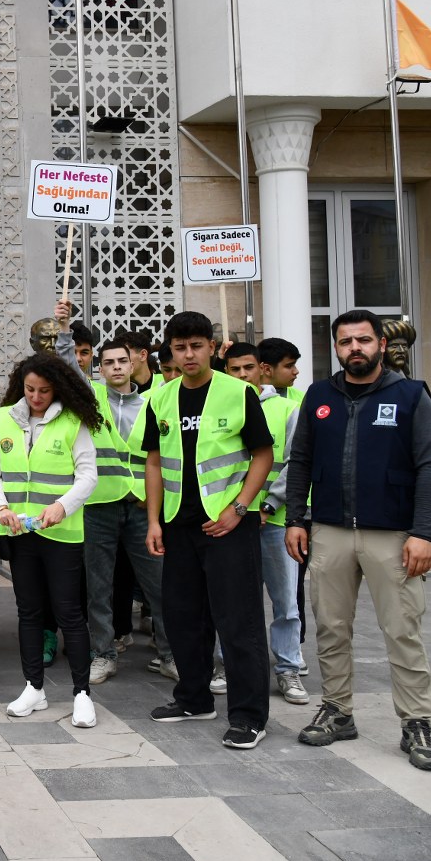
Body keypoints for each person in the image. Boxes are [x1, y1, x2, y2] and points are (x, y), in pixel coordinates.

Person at [286, 310, 431, 771]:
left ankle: (416, 722)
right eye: (345, 342)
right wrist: (297, 519)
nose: (354, 348)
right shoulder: (319, 395)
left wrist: (421, 533)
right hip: (330, 531)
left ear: (379, 344)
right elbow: (300, 462)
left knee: (402, 630)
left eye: (363, 340)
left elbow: (430, 467)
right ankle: (337, 711)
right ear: (335, 348)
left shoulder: (411, 395)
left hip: (392, 535)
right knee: (331, 627)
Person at [142, 311, 274, 750]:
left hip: (229, 527)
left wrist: (239, 508)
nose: (188, 354)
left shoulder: (239, 393)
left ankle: (249, 716)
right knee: (183, 620)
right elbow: (156, 462)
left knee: (239, 623)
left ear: (213, 348)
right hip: (179, 525)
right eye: (180, 348)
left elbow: (262, 455)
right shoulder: (161, 398)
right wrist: (153, 522)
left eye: (197, 345)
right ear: (171, 352)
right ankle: (194, 699)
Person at [0, 353, 101, 727]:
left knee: (69, 613)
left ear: (59, 389)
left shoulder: (73, 421)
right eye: (30, 389)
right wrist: (1, 506)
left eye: (44, 390)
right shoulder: (3, 418)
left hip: (62, 534)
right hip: (19, 531)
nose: (36, 397)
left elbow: (87, 476)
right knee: (29, 612)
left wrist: (62, 507)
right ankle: (33, 687)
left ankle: (82, 694)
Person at [64, 330, 175, 685]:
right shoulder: (90, 398)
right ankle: (103, 654)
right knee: (99, 587)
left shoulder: (154, 401)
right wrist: (65, 331)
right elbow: (67, 367)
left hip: (144, 507)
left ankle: (172, 654)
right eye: (108, 362)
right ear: (98, 368)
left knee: (159, 584)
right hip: (99, 506)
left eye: (121, 361)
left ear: (135, 363)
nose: (115, 367)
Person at [223, 343, 308, 707]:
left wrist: (269, 505)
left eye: (247, 368)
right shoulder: (219, 408)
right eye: (234, 369)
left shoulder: (287, 409)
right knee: (232, 600)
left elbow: (295, 464)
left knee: (285, 599)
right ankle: (229, 664)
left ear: (261, 369)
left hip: (272, 522)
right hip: (229, 523)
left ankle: (288, 667)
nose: (242, 376)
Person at [257, 337, 305, 404]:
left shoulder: (303, 399)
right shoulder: (246, 397)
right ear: (267, 369)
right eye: (289, 366)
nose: (296, 371)